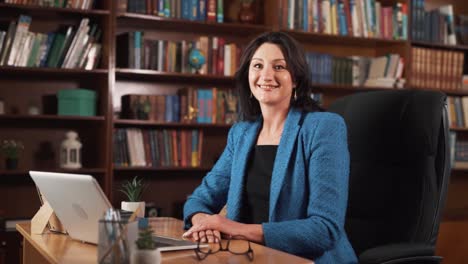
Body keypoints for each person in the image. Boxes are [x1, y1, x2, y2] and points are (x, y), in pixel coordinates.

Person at [182, 31, 358, 263]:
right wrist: (203, 222)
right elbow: (199, 200)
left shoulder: (323, 128)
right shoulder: (242, 134)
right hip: (249, 257)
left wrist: (233, 228)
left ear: (295, 78)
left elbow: (324, 229)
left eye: (278, 67)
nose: (266, 75)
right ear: (248, 75)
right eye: (257, 66)